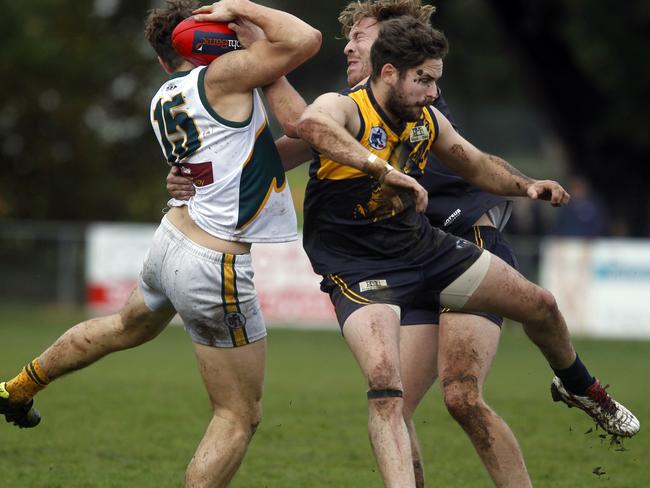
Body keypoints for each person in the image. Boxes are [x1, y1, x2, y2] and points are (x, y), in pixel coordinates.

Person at [295, 16, 638, 488]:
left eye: (437, 80)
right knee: (386, 387)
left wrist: (527, 185)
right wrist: (381, 169)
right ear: (390, 72)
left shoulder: (426, 119)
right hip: (360, 268)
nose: (434, 92)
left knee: (542, 304)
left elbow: (474, 163)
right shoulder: (346, 107)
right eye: (425, 80)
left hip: (423, 249)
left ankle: (578, 385)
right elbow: (310, 123)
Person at [0, 1, 321, 487]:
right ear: (213, 39)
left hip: (173, 239)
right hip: (215, 260)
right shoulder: (223, 76)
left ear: (160, 58)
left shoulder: (165, 95)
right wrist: (241, 8)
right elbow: (304, 39)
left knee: (125, 327)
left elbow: (249, 162)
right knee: (238, 416)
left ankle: (17, 388)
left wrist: (327, 137)